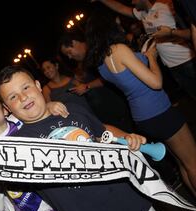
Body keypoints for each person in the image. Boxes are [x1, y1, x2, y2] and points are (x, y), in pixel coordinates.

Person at [0, 65, 175, 211]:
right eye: (13, 97)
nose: (23, 97)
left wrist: (128, 137)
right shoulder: (17, 147)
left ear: (38, 85)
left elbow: (102, 132)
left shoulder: (71, 109)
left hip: (135, 206)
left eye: (26, 87)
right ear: (7, 109)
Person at [85, 12, 196, 197]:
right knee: (192, 161)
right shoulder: (119, 49)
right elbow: (156, 83)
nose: (120, 25)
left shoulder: (101, 63)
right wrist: (151, 57)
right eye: (116, 23)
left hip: (143, 117)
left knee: (182, 163)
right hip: (159, 111)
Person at [95, 0, 196, 100]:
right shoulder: (142, 14)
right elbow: (120, 8)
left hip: (187, 60)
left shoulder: (165, 6)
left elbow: (190, 31)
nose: (132, 2)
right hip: (172, 66)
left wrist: (171, 33)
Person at [58, 31, 134, 132]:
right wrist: (81, 83)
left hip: (117, 108)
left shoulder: (96, 53)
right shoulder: (84, 62)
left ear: (75, 42)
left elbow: (109, 76)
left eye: (69, 52)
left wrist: (87, 86)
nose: (69, 57)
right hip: (107, 114)